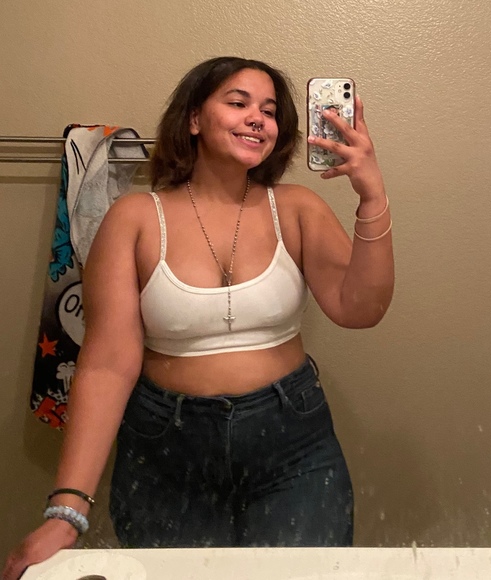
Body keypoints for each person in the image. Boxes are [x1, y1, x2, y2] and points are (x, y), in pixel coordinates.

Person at [3, 56, 394, 580]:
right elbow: (107, 365)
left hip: (292, 446)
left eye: (269, 111)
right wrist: (67, 510)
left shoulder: (298, 208)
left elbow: (361, 309)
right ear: (193, 118)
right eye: (238, 102)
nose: (258, 118)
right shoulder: (135, 219)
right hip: (166, 451)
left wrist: (372, 195)